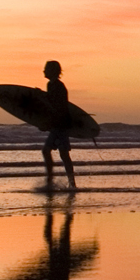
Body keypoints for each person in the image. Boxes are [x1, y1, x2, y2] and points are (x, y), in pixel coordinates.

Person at [42, 60, 77, 189]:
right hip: (58, 124)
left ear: (53, 71)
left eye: (46, 69)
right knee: (57, 153)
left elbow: (58, 107)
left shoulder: (57, 86)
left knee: (59, 153)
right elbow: (51, 103)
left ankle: (67, 183)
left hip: (61, 124)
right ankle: (57, 181)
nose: (44, 71)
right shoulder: (52, 85)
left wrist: (48, 123)